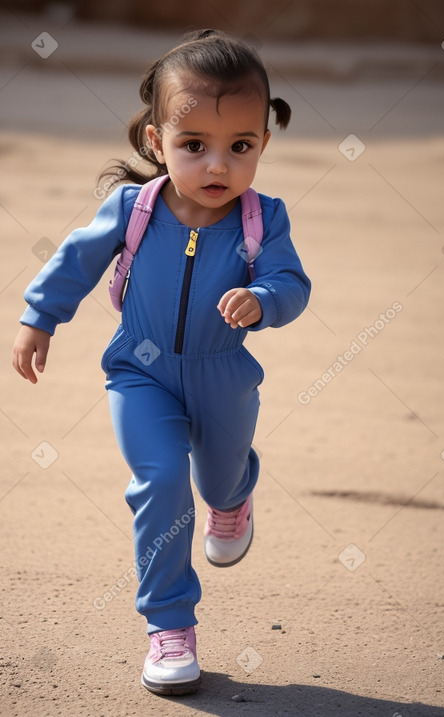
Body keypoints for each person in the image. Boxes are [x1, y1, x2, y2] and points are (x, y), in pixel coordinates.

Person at [12, 29, 311, 695]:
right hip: (138, 372)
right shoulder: (134, 208)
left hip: (224, 377)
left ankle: (234, 498)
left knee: (218, 472)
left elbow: (294, 284)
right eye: (193, 145)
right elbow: (75, 261)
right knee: (159, 481)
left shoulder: (264, 219)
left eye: (240, 147)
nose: (217, 166)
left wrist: (263, 299)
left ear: (263, 142)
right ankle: (169, 625)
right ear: (156, 142)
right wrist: (39, 317)